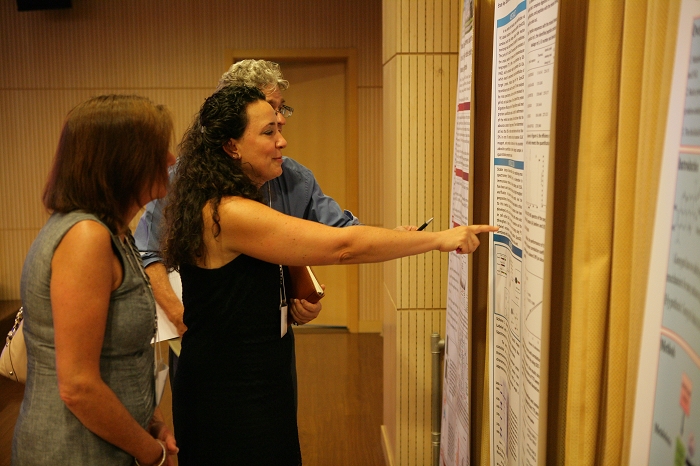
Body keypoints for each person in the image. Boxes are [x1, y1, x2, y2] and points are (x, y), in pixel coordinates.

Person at [162, 85, 497, 465]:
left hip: (254, 376)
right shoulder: (228, 212)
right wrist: (439, 239)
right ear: (231, 146)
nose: (282, 141)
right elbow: (343, 246)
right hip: (228, 391)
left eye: (279, 128)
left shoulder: (234, 201)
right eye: (268, 132)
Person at [134, 59, 361, 390]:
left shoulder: (292, 177)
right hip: (204, 343)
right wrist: (179, 317)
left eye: (281, 108)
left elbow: (343, 236)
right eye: (270, 108)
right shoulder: (182, 180)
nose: (280, 119)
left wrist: (301, 300)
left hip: (271, 347)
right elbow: (147, 252)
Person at [12, 95, 179, 466]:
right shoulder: (85, 237)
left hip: (112, 444)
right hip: (75, 451)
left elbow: (120, 357)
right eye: (158, 151)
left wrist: (153, 422)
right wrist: (152, 454)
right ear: (123, 161)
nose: (171, 160)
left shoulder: (114, 230)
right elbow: (78, 386)